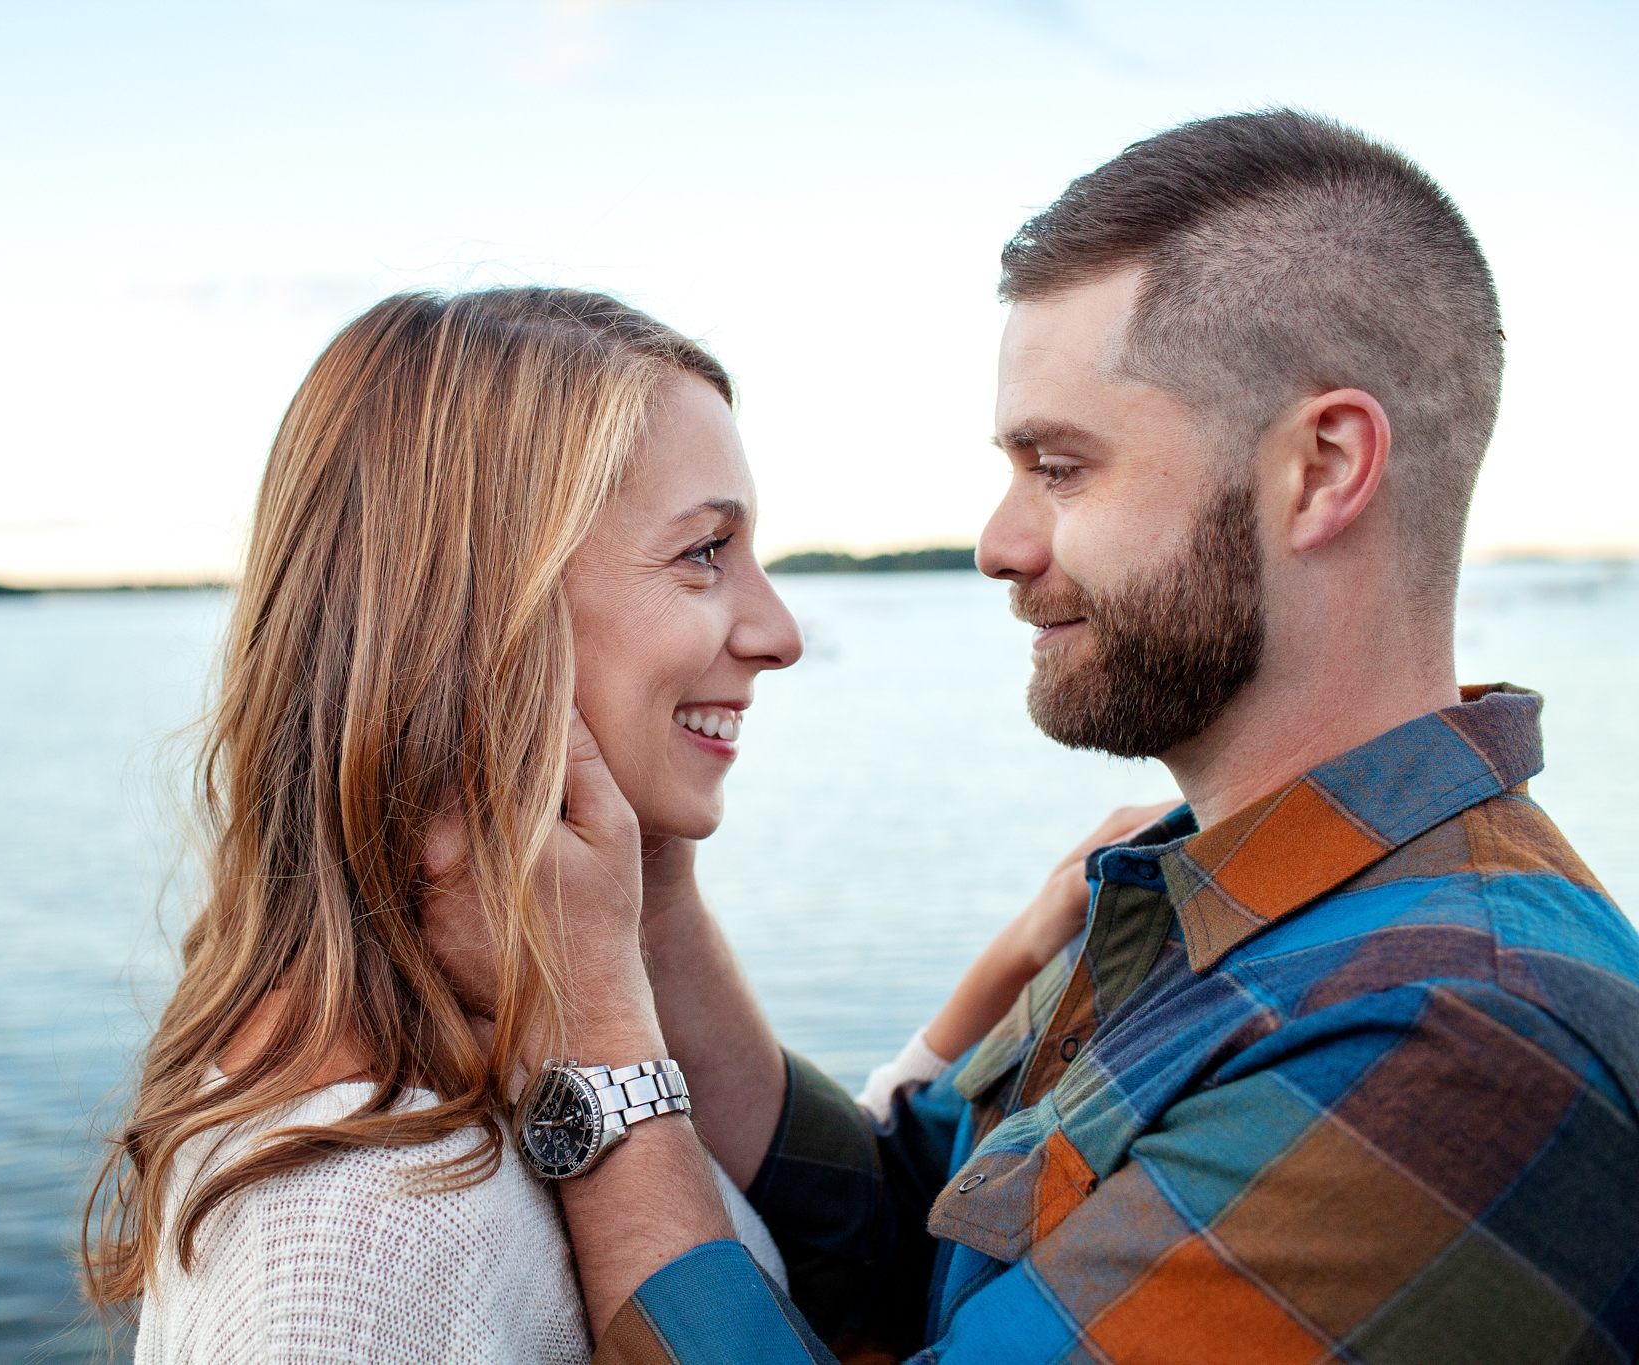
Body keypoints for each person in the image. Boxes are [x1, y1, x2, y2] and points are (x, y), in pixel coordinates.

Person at [484, 112, 1639, 1363]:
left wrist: (599, 1055)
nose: (999, 543)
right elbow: (890, 1235)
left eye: (1060, 467)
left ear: (1318, 468)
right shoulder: (1204, 894)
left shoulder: (1449, 1032)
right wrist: (648, 906)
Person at [79, 286, 1123, 1363]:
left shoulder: (499, 1076)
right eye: (703, 553)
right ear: (486, 620)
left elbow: (846, 1242)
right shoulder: (357, 1233)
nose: (776, 632)